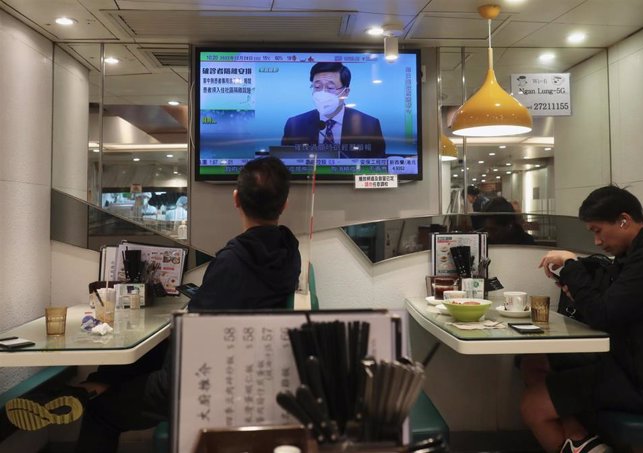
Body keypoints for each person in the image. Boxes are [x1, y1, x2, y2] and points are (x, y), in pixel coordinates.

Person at [6, 157, 301, 453]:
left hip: (200, 381)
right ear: (285, 203)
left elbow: (193, 335)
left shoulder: (233, 260)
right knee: (145, 357)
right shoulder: (289, 252)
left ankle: (94, 391)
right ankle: (95, 385)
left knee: (103, 413)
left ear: (236, 199)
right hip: (248, 369)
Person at [520, 185, 643, 453]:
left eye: (597, 231)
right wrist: (574, 286)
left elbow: (603, 314)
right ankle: (578, 439)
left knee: (533, 405)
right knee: (533, 360)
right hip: (631, 363)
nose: (597, 242)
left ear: (623, 220)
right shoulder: (636, 253)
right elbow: (608, 306)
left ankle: (580, 443)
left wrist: (571, 265)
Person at [281, 62, 386, 158]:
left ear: (346, 92)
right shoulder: (295, 124)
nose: (323, 93)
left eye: (330, 88)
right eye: (317, 87)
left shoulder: (369, 125)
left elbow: (377, 165)